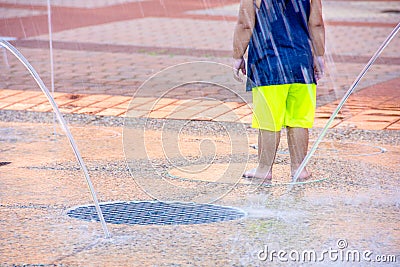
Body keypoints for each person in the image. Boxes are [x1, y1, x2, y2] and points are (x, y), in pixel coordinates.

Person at [232, 0, 325, 181]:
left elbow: (245, 24)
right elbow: (316, 22)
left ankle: (264, 169)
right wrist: (319, 55)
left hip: (269, 62)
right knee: (298, 120)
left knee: (269, 120)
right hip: (301, 63)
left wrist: (238, 55)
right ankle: (299, 169)